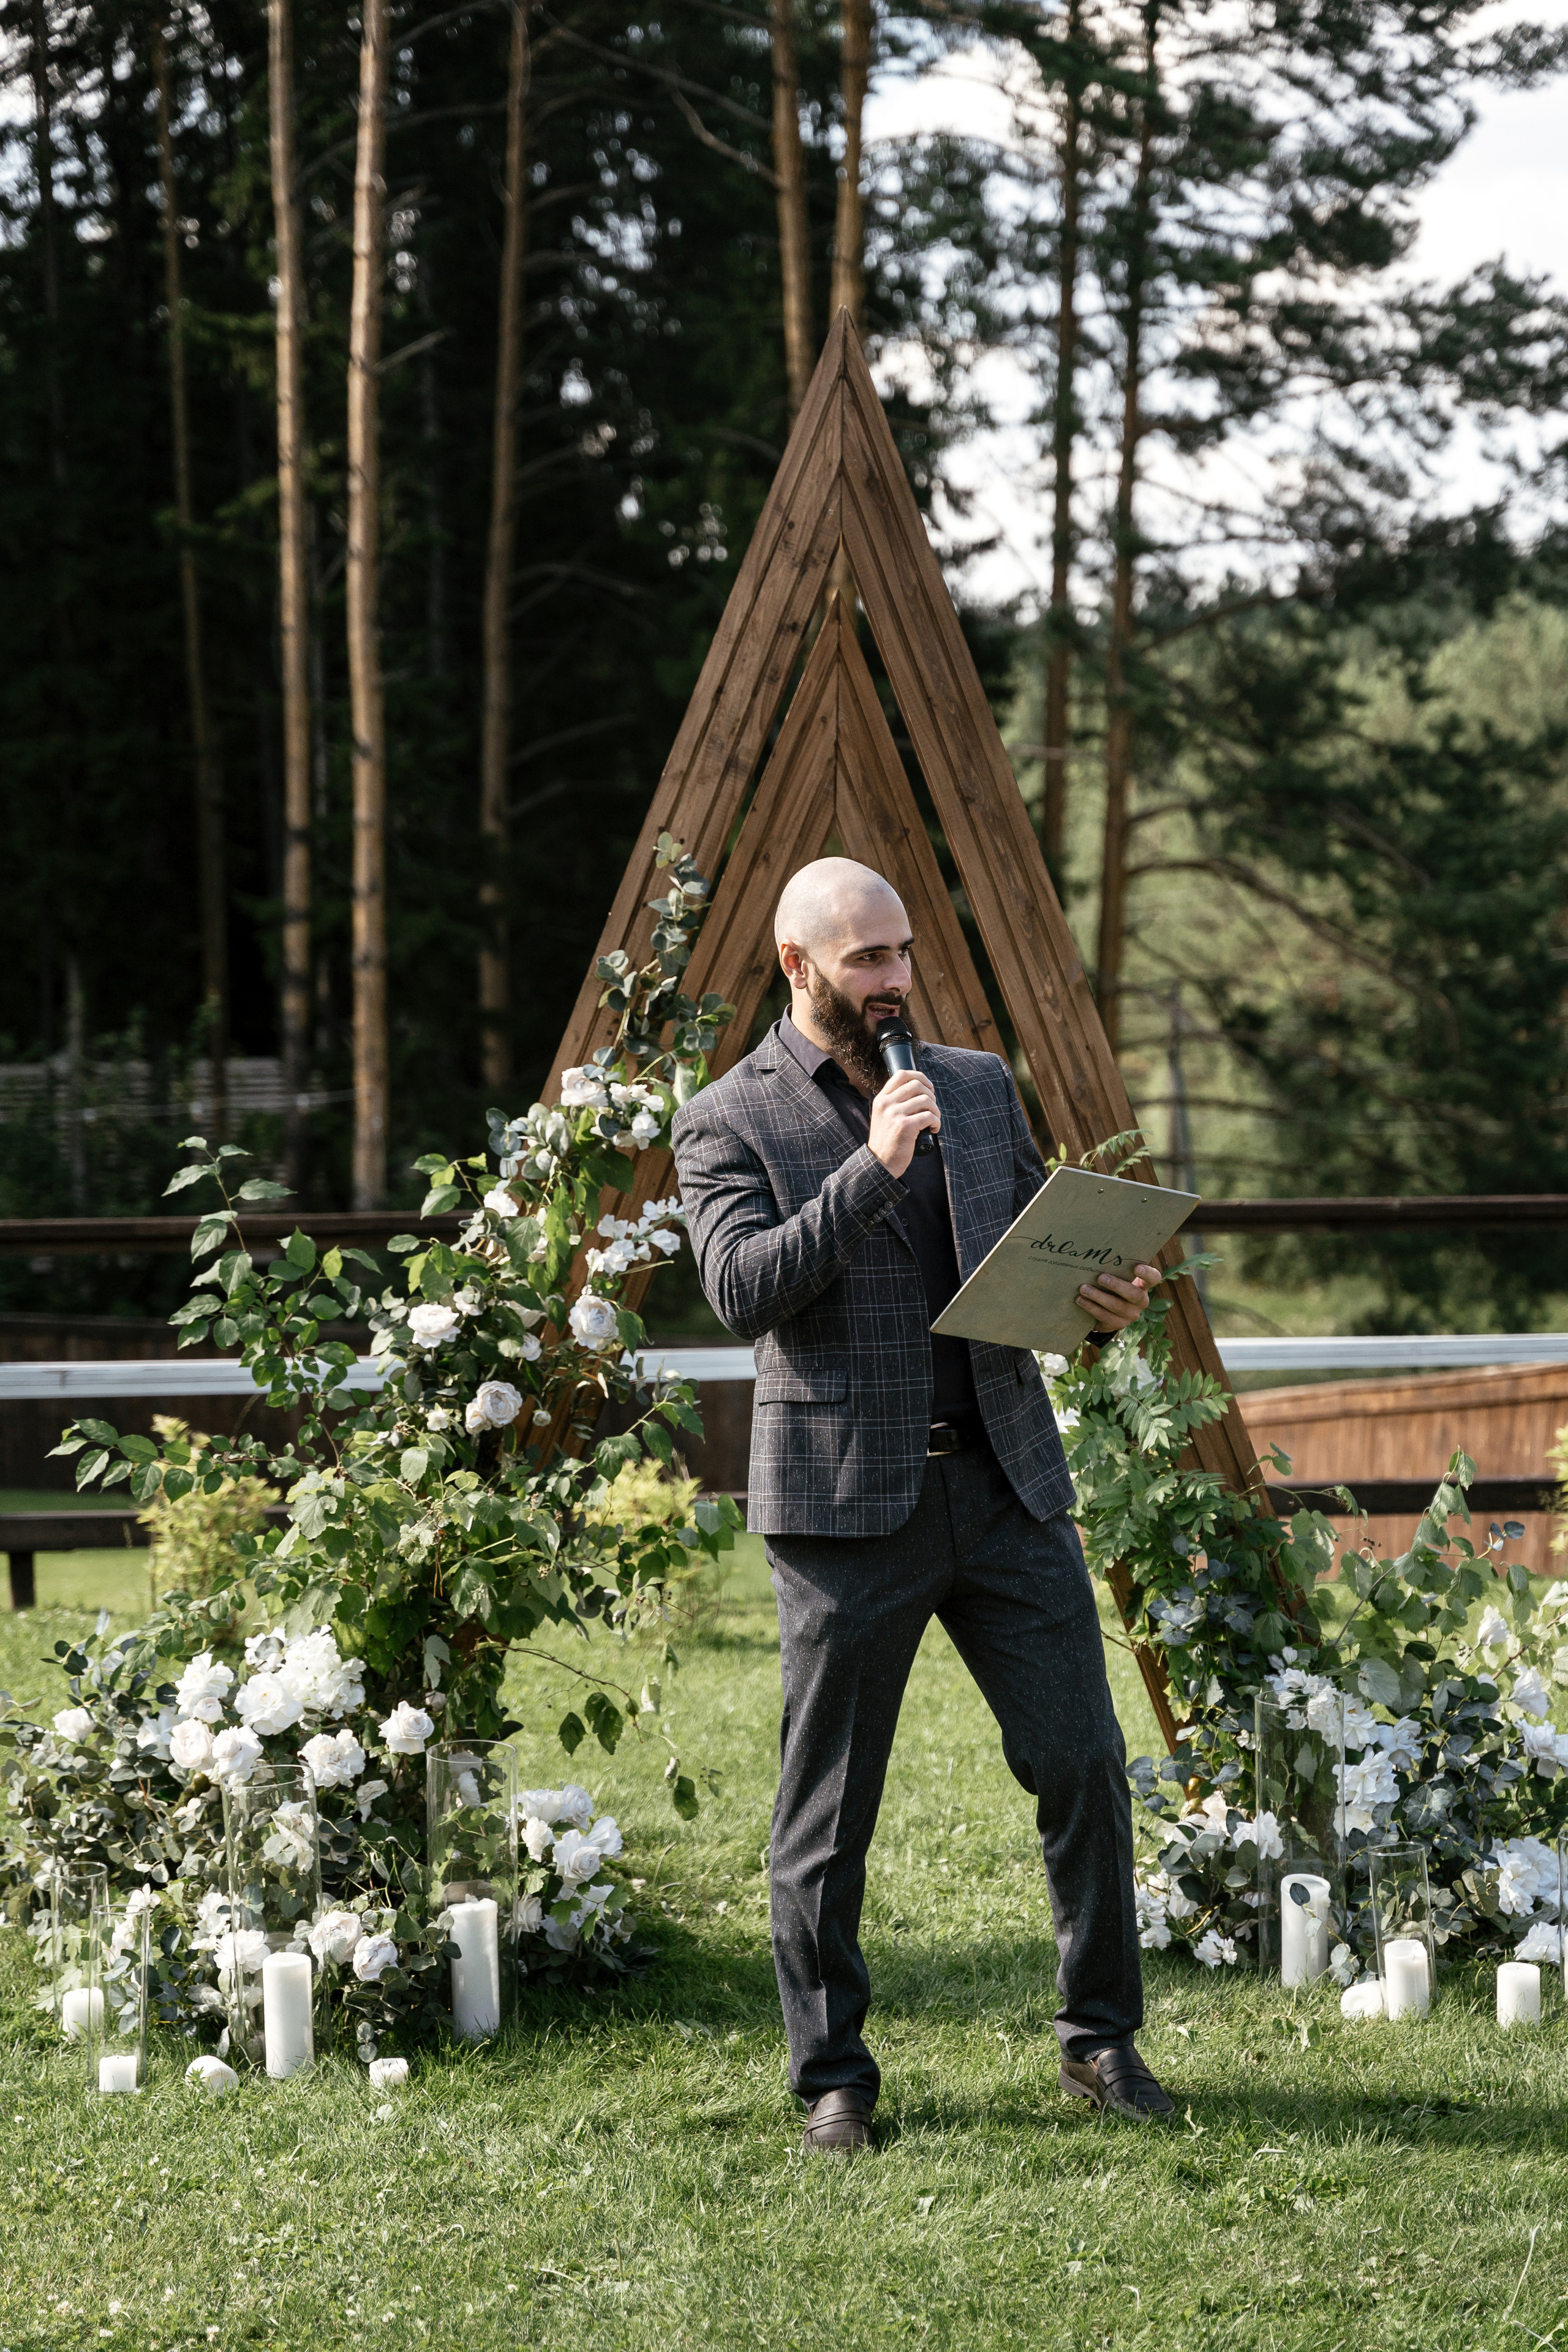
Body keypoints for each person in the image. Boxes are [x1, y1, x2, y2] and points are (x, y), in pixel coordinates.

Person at [671, 856, 1175, 2153]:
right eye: (867, 960)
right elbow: (741, 1291)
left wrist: (1091, 1306)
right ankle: (832, 2078)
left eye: (901, 952)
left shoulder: (974, 1083)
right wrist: (870, 1168)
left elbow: (1020, 1264)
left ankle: (1100, 2044)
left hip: (1005, 1481)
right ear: (797, 968)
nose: (896, 979)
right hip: (845, 1507)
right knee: (828, 1810)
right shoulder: (725, 1118)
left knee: (1082, 1764)